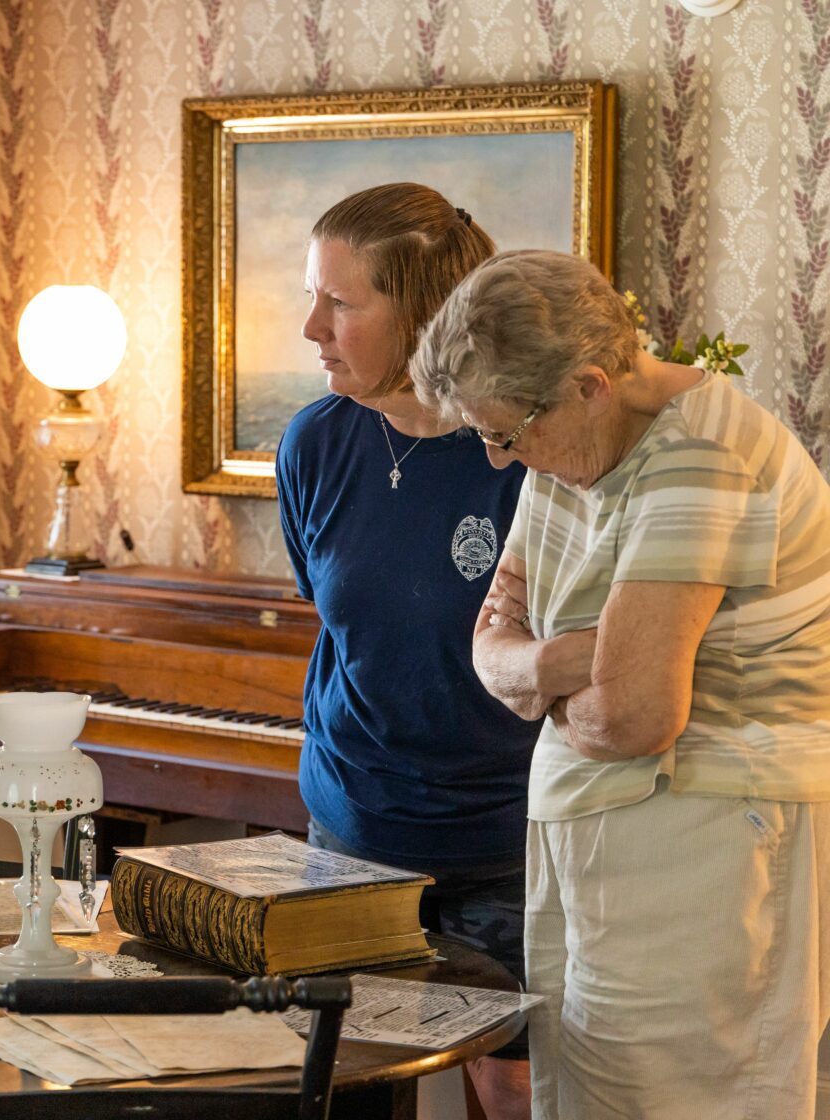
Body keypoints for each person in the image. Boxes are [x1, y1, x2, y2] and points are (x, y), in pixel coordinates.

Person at [411, 248, 830, 1119]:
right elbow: (489, 644)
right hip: (604, 835)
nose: (498, 459)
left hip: (702, 844)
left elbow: (635, 717)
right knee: (587, 1095)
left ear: (591, 385)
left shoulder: (699, 459)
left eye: (505, 431)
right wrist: (572, 661)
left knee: (676, 1101)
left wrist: (546, 674)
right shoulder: (566, 450)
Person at [276, 183, 538, 1119]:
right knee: (345, 1081)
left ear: (426, 314)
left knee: (509, 1089)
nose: (312, 326)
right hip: (350, 833)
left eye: (342, 303)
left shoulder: (522, 455)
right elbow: (340, 616)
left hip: (503, 841)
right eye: (315, 294)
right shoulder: (315, 441)